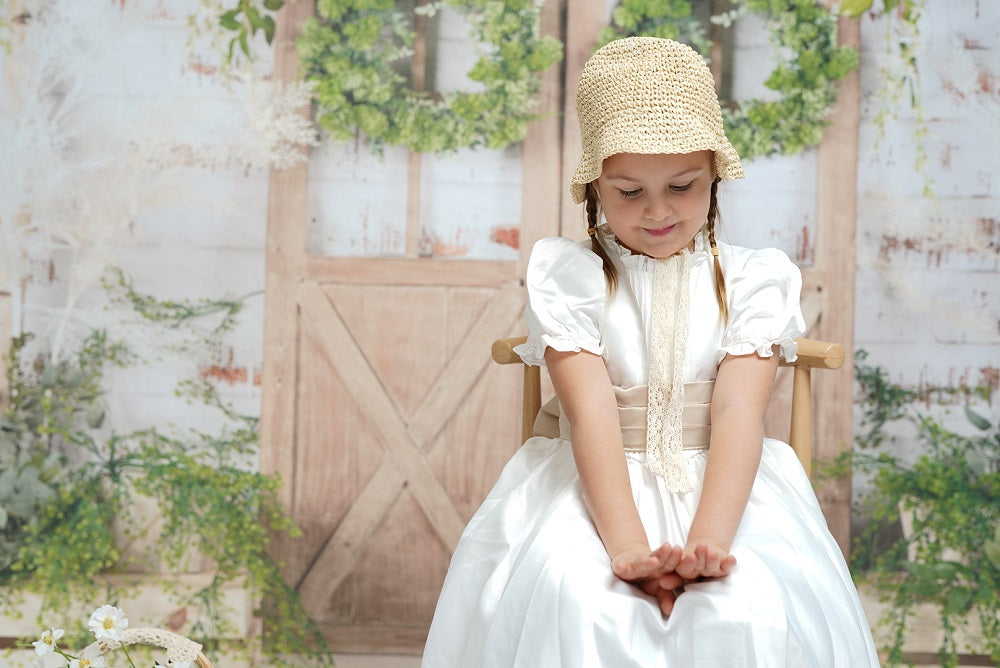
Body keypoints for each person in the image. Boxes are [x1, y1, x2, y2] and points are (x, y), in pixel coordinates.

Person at [422, 36, 879, 667]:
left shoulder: (752, 280)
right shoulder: (571, 275)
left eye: (683, 186)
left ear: (714, 176)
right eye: (629, 191)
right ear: (594, 189)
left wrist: (708, 547)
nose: (658, 211)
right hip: (597, 478)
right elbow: (591, 415)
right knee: (576, 594)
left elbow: (739, 417)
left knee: (749, 601)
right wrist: (630, 551)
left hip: (726, 480)